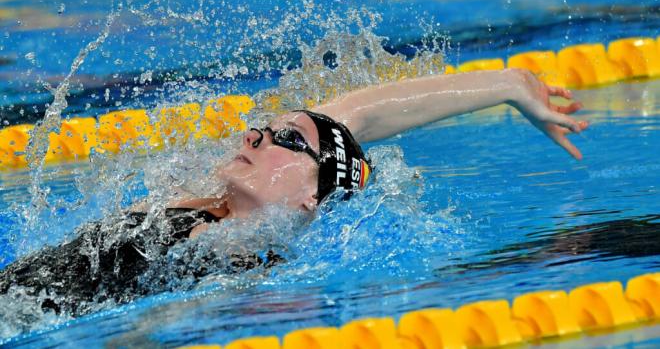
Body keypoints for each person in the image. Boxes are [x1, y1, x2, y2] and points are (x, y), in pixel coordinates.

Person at [0, 68, 588, 317]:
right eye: (268, 126)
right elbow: (355, 116)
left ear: (311, 194)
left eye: (282, 138)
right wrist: (509, 84)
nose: (256, 131)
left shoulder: (244, 258)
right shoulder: (205, 200)